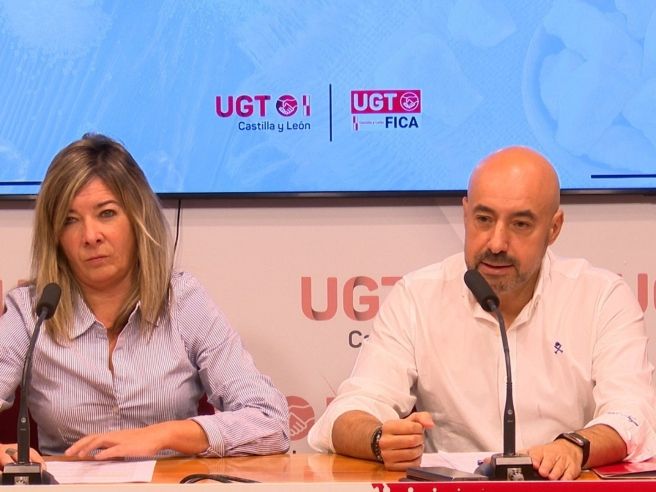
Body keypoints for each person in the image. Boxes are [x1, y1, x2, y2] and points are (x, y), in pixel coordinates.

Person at [307, 146, 656, 480]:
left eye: (520, 224)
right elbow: (349, 411)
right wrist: (378, 440)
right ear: (465, 214)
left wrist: (574, 446)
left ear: (554, 228)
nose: (496, 243)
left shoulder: (601, 297)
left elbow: (633, 415)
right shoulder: (417, 296)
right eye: (484, 219)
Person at [0, 134, 289, 468]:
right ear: (55, 236)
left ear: (138, 218)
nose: (90, 236)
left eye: (107, 213)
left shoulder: (182, 300)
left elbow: (271, 421)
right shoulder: (32, 312)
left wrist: (166, 435)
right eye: (69, 220)